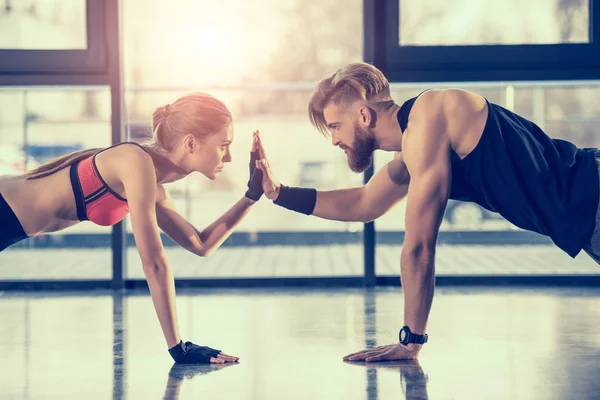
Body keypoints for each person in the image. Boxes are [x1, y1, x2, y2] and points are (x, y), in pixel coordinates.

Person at [252, 62, 600, 362]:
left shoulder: (430, 116)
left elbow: (419, 248)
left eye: (335, 126)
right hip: (587, 216)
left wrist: (411, 341)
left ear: (363, 114)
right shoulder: (412, 147)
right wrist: (278, 192)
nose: (334, 140)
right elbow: (363, 203)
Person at [0, 93, 265, 364]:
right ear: (191, 143)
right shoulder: (135, 161)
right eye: (224, 145)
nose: (229, 157)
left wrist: (252, 194)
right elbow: (154, 262)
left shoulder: (152, 186)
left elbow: (201, 244)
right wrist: (178, 348)